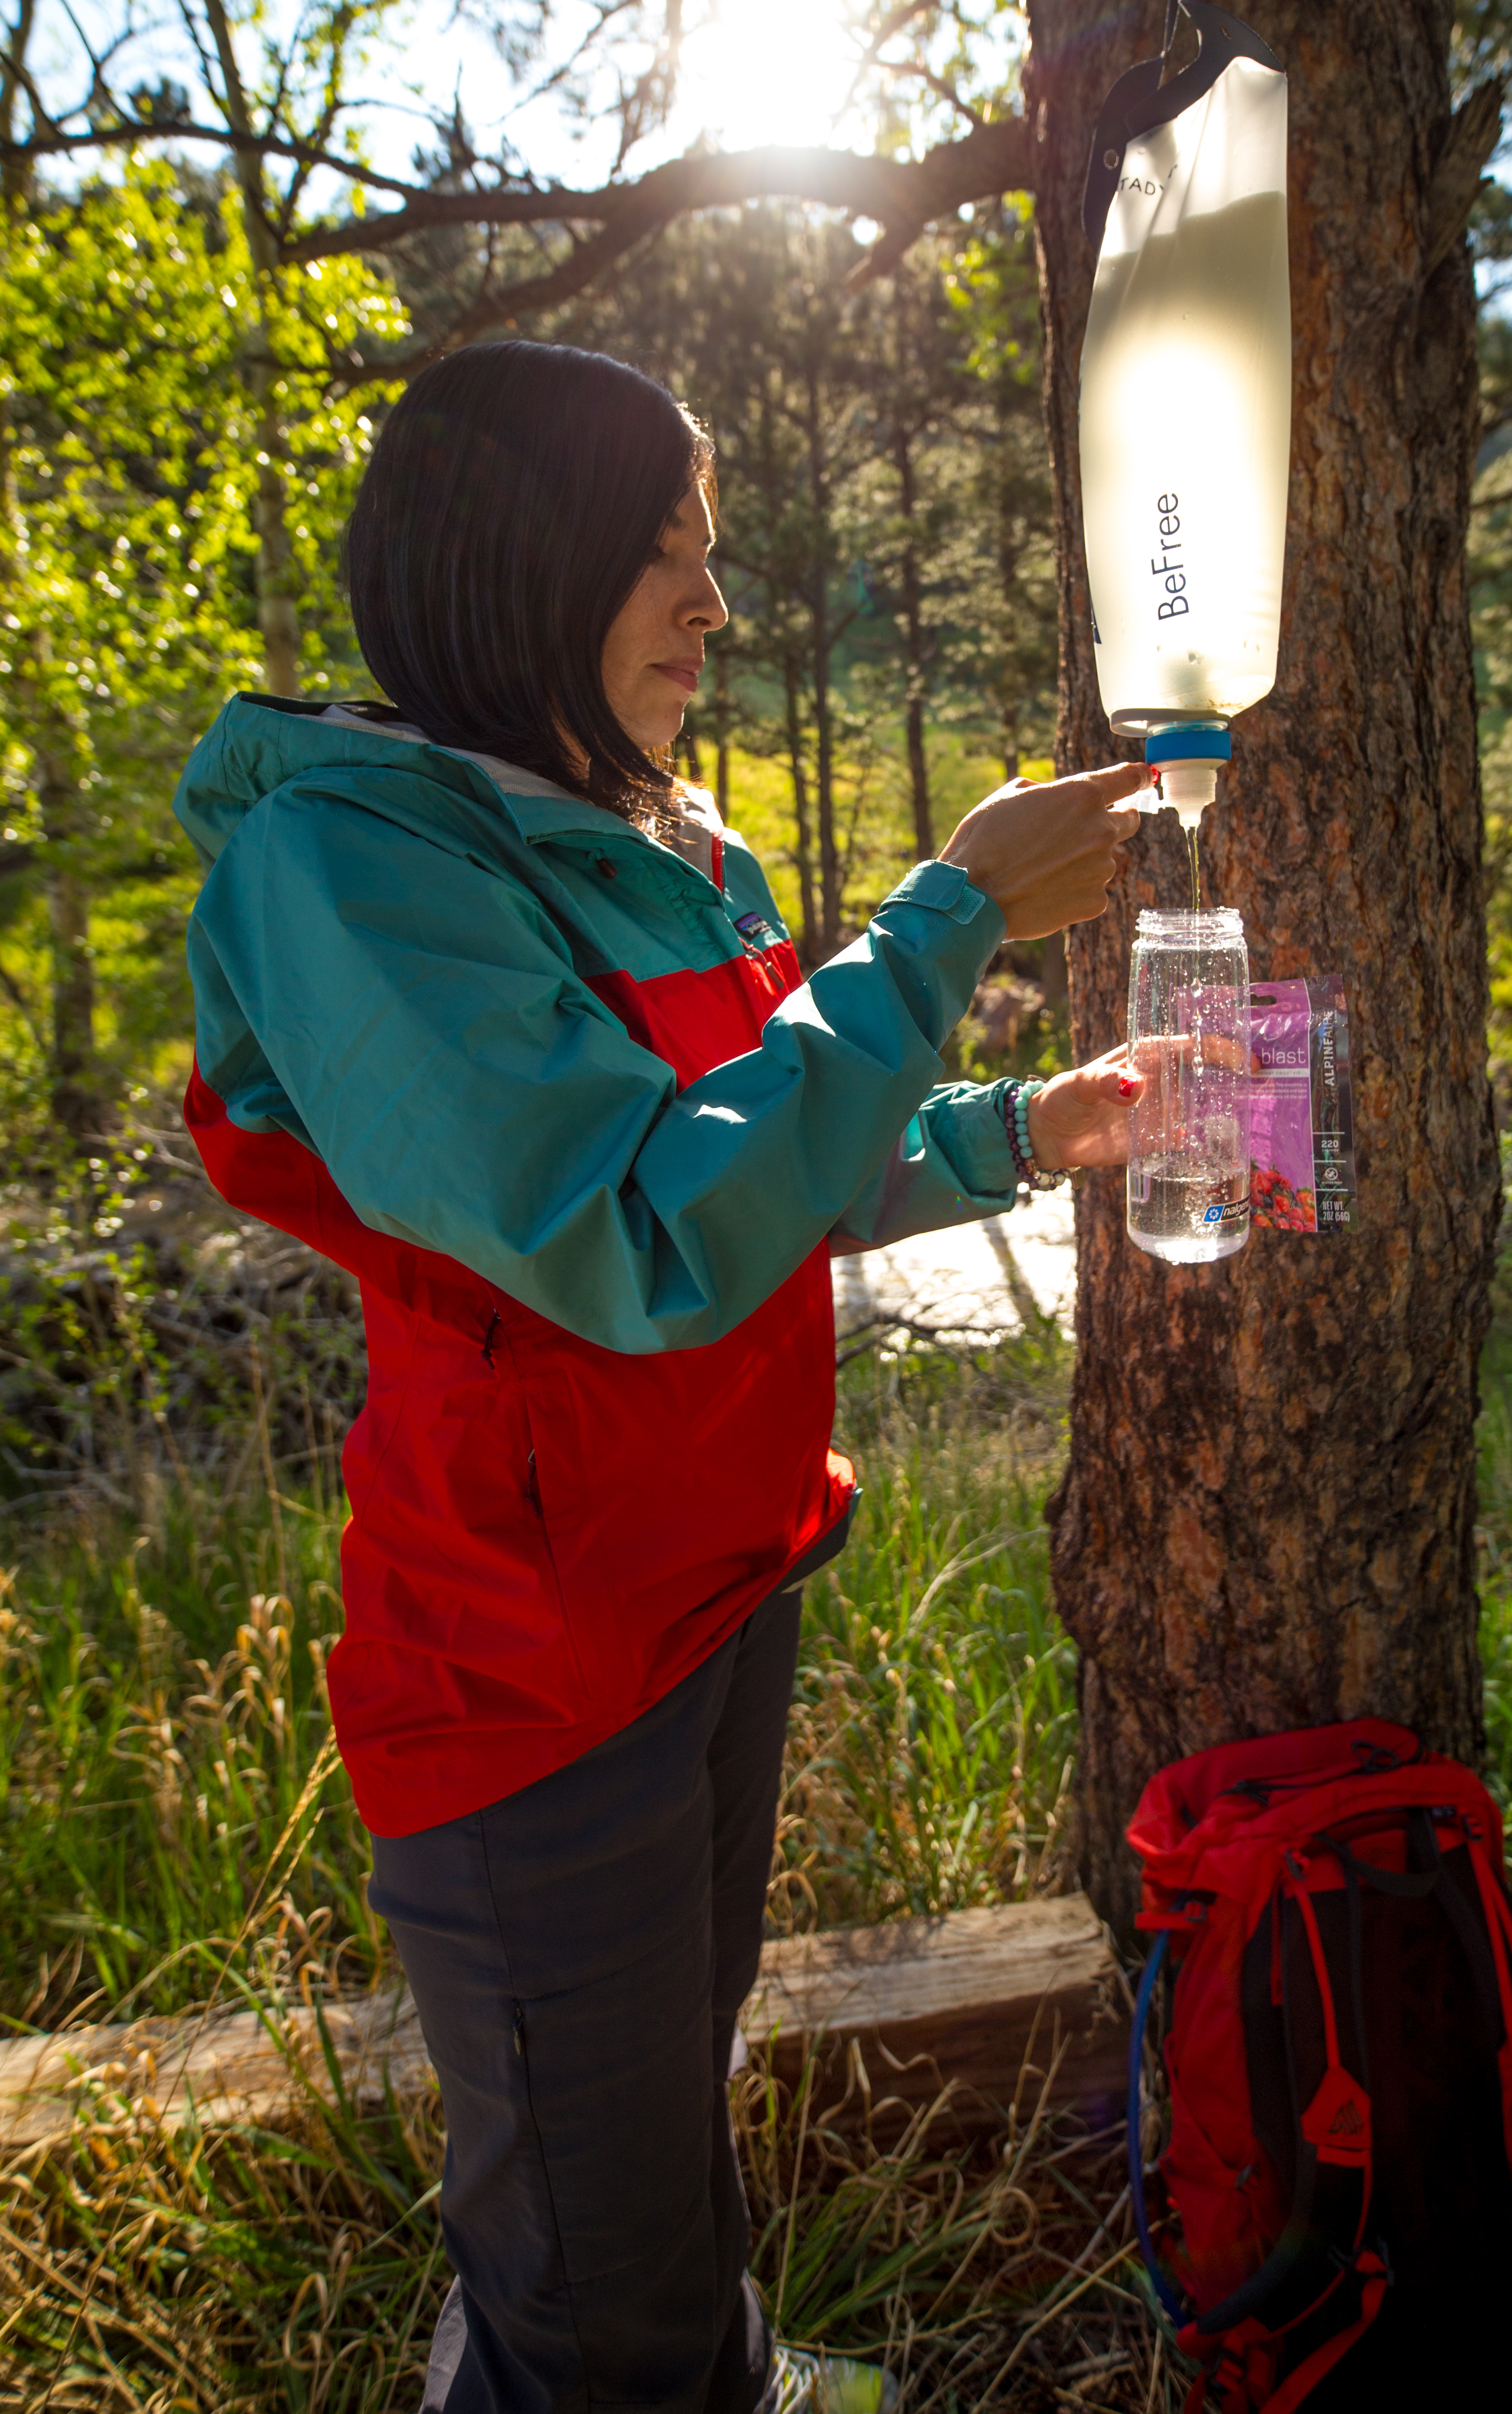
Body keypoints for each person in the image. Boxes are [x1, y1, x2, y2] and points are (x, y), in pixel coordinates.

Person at [174, 341, 1147, 2414]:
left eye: (709, 555)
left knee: (649, 2121)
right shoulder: (351, 864)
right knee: (582, 2273)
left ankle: (735, 2376)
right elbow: (638, 1232)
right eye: (660, 553)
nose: (710, 603)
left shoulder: (668, 842)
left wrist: (1017, 1132)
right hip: (532, 1662)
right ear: (507, 561)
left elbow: (777, 1165)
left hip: (712, 1589)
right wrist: (949, 912)